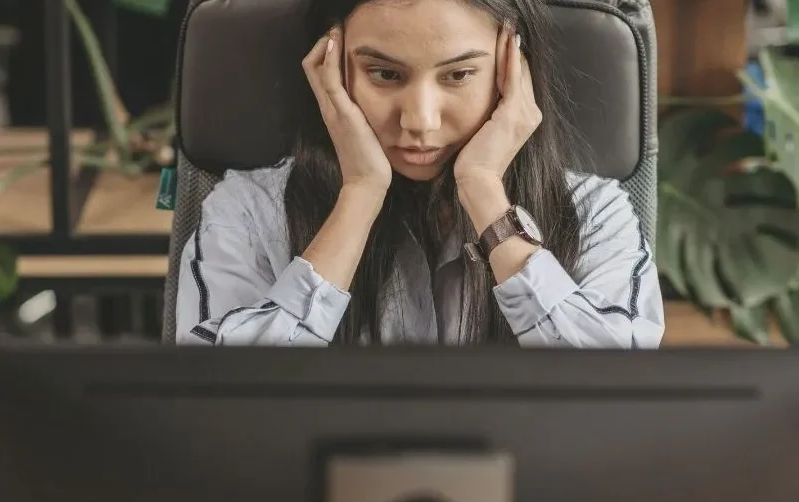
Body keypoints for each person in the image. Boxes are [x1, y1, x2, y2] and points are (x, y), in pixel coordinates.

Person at [176, 0, 665, 347]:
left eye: (458, 75)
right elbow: (226, 407)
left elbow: (613, 397)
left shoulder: (594, 212)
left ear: (514, 73)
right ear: (329, 68)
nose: (420, 121)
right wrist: (360, 195)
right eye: (385, 74)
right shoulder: (246, 211)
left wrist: (485, 195)